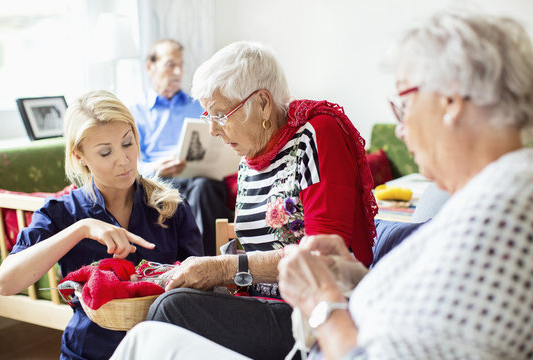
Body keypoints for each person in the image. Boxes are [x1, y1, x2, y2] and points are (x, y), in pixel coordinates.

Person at [112, 10, 533, 360]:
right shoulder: (481, 201)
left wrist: (320, 300)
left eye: (404, 104)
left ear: (451, 103)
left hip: (312, 327)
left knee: (157, 328)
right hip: (312, 322)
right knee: (153, 330)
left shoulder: (503, 211)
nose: (400, 129)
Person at [145, 41, 378, 360]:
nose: (212, 129)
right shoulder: (249, 159)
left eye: (219, 114)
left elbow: (323, 254)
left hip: (312, 313)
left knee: (171, 310)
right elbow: (255, 253)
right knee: (167, 299)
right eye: (207, 115)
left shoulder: (316, 134)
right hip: (265, 303)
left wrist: (224, 268)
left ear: (264, 103)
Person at [0, 90, 204, 360]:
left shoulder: (171, 207)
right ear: (79, 156)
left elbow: (199, 289)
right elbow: (6, 283)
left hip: (162, 349)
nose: (123, 160)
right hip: (88, 352)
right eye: (105, 152)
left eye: (128, 143)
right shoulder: (61, 213)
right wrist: (81, 229)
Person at [130, 38, 233, 256]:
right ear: (150, 66)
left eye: (181, 65)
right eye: (170, 64)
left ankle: (210, 263)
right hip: (159, 180)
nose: (178, 71)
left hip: (197, 179)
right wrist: (156, 168)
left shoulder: (197, 104)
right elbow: (130, 161)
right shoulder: (135, 111)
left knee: (205, 188)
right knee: (160, 194)